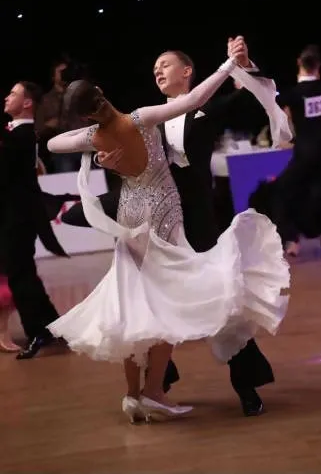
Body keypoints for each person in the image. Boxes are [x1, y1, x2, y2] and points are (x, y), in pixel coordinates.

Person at [46, 54, 290, 424]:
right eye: (154, 65)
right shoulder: (143, 117)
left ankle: (240, 386)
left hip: (190, 221)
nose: (157, 69)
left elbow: (245, 97)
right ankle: (154, 389)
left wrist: (242, 66)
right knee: (152, 303)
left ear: (188, 71)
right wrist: (100, 160)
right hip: (156, 221)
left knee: (217, 299)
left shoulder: (206, 108)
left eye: (165, 64)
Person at [250, 44, 321, 258]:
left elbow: (272, 102)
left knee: (281, 192)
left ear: (299, 63)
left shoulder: (292, 95)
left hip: (304, 155)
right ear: (319, 66)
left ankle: (291, 238)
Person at [0, 81, 66, 360]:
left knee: (18, 275)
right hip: (16, 215)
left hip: (17, 217)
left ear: (27, 103)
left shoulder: (24, 135)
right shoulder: (17, 135)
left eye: (13, 93)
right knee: (25, 272)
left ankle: (36, 329)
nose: (6, 97)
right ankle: (51, 324)